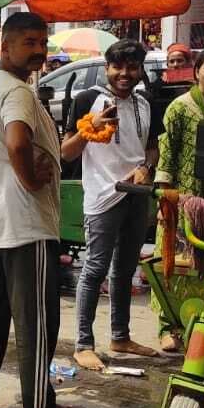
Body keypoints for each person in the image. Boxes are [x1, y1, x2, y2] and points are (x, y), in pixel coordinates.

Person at [0, 12, 77, 408]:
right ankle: (40, 405)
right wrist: (29, 179)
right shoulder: (18, 92)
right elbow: (16, 142)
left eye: (42, 42)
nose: (39, 51)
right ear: (5, 47)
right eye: (29, 42)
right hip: (26, 225)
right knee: (37, 318)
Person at [61, 38, 159, 372]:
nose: (125, 74)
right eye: (118, 67)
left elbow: (152, 147)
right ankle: (83, 344)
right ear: (107, 68)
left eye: (132, 67)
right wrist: (91, 129)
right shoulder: (89, 100)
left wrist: (146, 168)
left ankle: (120, 336)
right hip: (103, 196)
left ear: (139, 70)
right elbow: (66, 153)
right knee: (95, 268)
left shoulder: (144, 103)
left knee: (125, 269)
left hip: (135, 195)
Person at [153, 47, 204, 351]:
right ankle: (166, 326)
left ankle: (194, 322)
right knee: (172, 263)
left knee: (203, 265)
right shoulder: (180, 107)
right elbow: (166, 155)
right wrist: (165, 201)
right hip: (180, 197)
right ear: (196, 70)